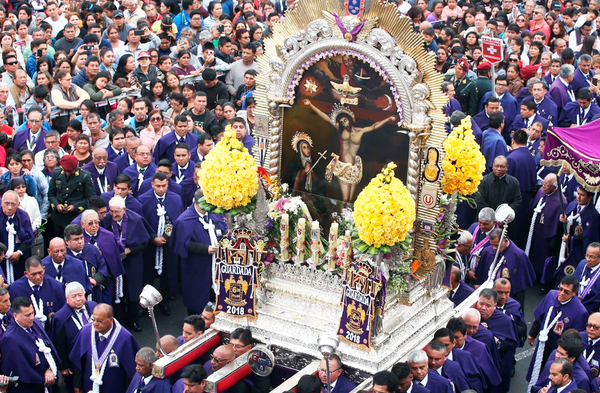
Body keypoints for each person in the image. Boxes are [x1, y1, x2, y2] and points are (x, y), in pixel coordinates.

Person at [172, 189, 227, 315]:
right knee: (196, 296)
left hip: (216, 264)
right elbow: (182, 244)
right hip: (196, 266)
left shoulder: (214, 214)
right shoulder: (184, 220)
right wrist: (204, 249)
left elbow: (223, 229)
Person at [139, 172, 184, 315]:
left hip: (167, 244)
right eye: (158, 186)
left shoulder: (175, 199)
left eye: (164, 186)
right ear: (152, 184)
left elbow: (174, 220)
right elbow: (142, 222)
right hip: (150, 244)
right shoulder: (143, 199)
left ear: (167, 185)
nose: (160, 189)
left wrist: (165, 236)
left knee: (167, 274)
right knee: (148, 274)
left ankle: (164, 302)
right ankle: (145, 303)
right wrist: (153, 237)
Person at [528, 275, 588, 382]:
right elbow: (540, 316)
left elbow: (575, 341)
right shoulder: (551, 295)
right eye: (560, 288)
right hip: (543, 344)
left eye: (566, 291)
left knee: (550, 377)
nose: (561, 293)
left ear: (574, 293)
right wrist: (532, 334)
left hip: (558, 352)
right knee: (536, 371)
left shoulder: (580, 312)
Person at [69, 303, 140, 393]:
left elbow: (132, 371)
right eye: (93, 319)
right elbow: (79, 362)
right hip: (89, 386)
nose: (95, 324)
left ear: (111, 320)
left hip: (114, 387)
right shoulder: (86, 332)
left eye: (100, 321)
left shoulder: (124, 338)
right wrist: (77, 385)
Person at [106, 196, 150, 332]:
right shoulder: (106, 219)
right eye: (111, 211)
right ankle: (120, 320)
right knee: (117, 293)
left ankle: (134, 320)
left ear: (124, 210)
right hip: (114, 262)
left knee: (132, 291)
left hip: (132, 261)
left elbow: (145, 242)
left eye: (116, 212)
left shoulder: (136, 220)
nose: (113, 215)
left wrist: (130, 250)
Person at [0, 296, 60, 392]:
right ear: (15, 316)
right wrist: (43, 380)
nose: (31, 317)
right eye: (27, 315)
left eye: (32, 313)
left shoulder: (34, 323)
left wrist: (50, 368)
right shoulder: (10, 339)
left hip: (46, 381)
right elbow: (20, 370)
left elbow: (48, 345)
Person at [49, 282, 96, 391]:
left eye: (80, 295)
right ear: (67, 299)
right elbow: (59, 343)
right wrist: (63, 366)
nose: (78, 299)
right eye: (73, 296)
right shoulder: (60, 318)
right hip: (74, 362)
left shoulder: (94, 307)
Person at [475, 228, 535, 306]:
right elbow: (481, 276)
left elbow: (520, 286)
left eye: (497, 245)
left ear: (505, 241)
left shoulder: (519, 256)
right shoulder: (487, 251)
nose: (494, 248)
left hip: (508, 298)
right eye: (492, 244)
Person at [476, 288, 520, 393]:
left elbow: (512, 344)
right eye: (481, 304)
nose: (483, 308)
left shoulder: (505, 321)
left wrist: (494, 340)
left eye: (488, 305)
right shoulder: (474, 317)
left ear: (495, 306)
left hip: (498, 363)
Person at [80, 209, 125, 303]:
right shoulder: (79, 239)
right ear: (82, 224)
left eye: (97, 222)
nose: (94, 226)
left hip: (106, 282)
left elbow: (114, 261)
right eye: (90, 223)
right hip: (86, 283)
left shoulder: (108, 236)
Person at [48, 155, 96, 239]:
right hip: (58, 218)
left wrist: (75, 207)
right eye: (65, 170)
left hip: (75, 217)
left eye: (70, 171)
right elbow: (51, 194)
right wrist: (57, 205)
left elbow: (91, 198)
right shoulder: (57, 173)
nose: (67, 173)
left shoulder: (84, 176)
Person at [9, 256, 66, 326]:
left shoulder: (56, 287)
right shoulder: (15, 289)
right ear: (26, 274)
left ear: (44, 269)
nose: (38, 277)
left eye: (40, 272)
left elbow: (63, 313)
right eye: (33, 274)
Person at [446, 318, 501, 388]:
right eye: (451, 338)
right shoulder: (444, 351)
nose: (454, 341)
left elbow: (490, 374)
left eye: (457, 337)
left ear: (465, 334)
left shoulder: (479, 348)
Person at [559, 186, 600, 276]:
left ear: (590, 198)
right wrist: (562, 220)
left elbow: (589, 236)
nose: (578, 197)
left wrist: (571, 239)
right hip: (564, 245)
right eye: (578, 193)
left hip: (577, 250)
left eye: (582, 195)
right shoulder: (572, 205)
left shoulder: (593, 215)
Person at [64, 224, 109, 303]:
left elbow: (103, 268)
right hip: (74, 296)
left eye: (81, 238)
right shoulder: (64, 256)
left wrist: (95, 280)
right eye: (76, 239)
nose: (80, 242)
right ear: (67, 241)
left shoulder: (92, 250)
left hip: (94, 293)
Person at [0, 190, 34, 285]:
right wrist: (7, 252)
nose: (9, 207)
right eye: (6, 203)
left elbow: (29, 238)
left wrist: (19, 253)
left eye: (13, 204)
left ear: (18, 204)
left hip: (19, 258)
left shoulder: (23, 216)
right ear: (2, 202)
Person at [574, 242, 600, 314]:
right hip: (574, 303)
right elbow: (573, 282)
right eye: (587, 255)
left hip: (591, 310)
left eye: (592, 257)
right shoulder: (582, 264)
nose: (588, 259)